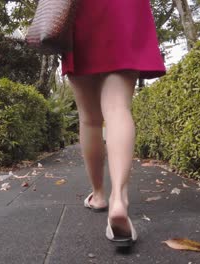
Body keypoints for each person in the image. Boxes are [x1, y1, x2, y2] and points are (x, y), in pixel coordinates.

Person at [61, 0, 166, 246]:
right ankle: (120, 199)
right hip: (125, 10)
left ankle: (99, 196)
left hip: (82, 12)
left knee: (90, 120)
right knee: (118, 108)